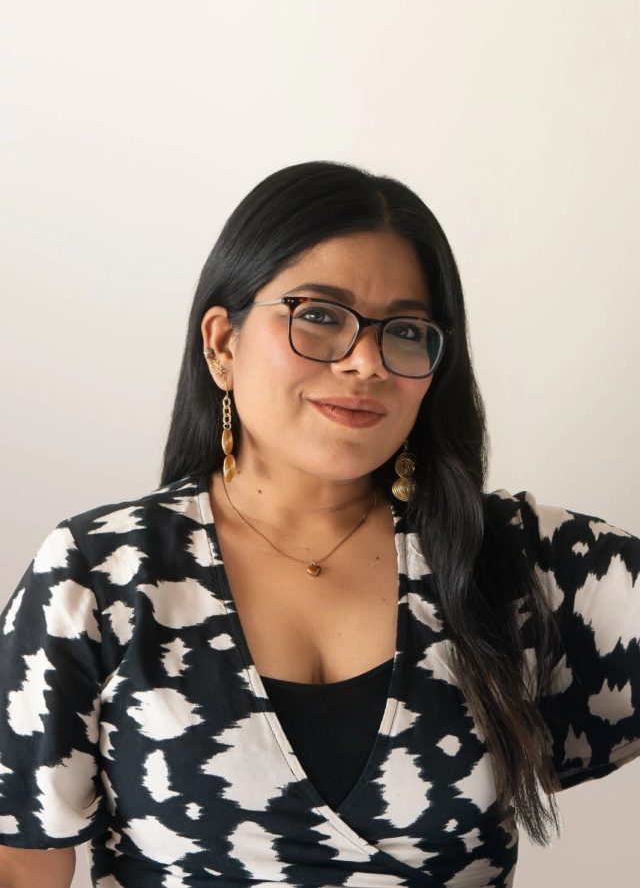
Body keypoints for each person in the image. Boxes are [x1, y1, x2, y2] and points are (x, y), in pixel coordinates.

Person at [0, 161, 638, 888]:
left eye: (405, 330)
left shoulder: (513, 558)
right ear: (222, 343)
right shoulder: (100, 575)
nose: (366, 363)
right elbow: (20, 862)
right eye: (320, 316)